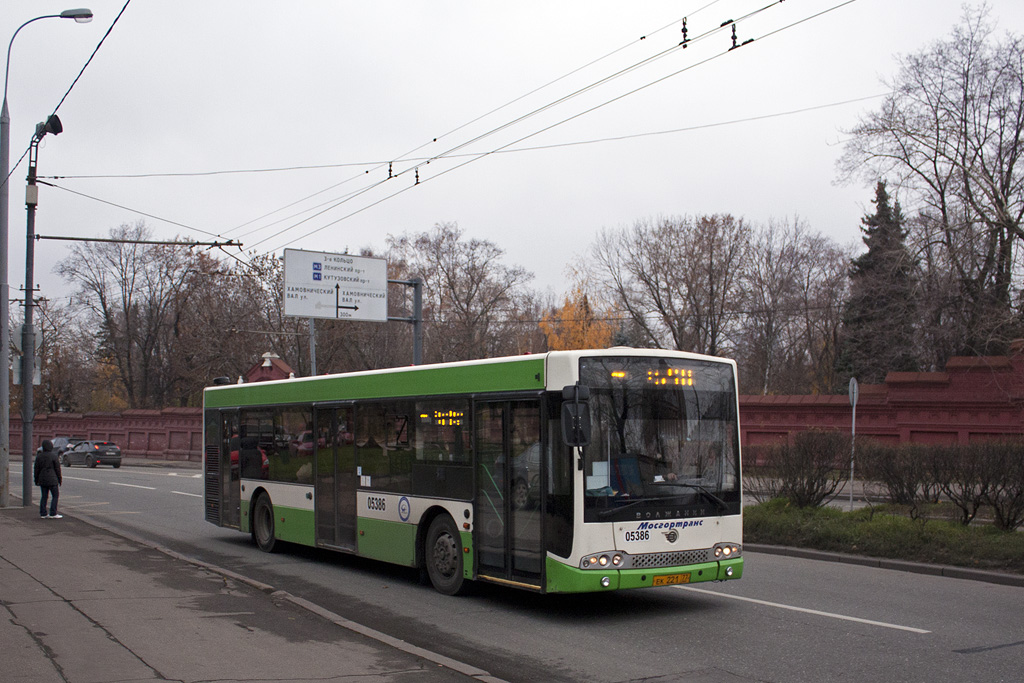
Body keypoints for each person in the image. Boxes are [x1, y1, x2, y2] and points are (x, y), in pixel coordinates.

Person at [33, 439, 63, 519]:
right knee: (55, 496)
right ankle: (53, 513)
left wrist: (36, 480)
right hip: (53, 479)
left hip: (42, 479)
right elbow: (57, 469)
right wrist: (59, 479)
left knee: (44, 496)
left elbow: (36, 469)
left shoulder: (39, 456)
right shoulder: (54, 456)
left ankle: (43, 513)